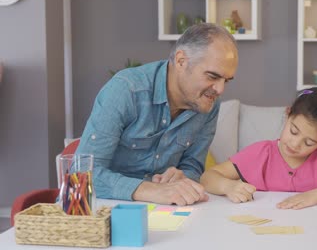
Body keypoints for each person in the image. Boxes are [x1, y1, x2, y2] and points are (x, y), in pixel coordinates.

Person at [75, 23, 238, 206]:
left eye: (226, 80)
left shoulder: (208, 104)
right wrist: (149, 189)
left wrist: (182, 177)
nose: (220, 89)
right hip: (104, 210)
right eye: (212, 76)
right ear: (181, 61)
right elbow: (81, 174)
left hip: (163, 212)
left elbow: (193, 167)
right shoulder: (126, 90)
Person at [200, 82, 317, 209]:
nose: (295, 144)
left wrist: (315, 196)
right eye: (294, 131)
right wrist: (228, 187)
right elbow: (208, 177)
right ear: (288, 114)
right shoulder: (261, 153)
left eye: (309, 142)